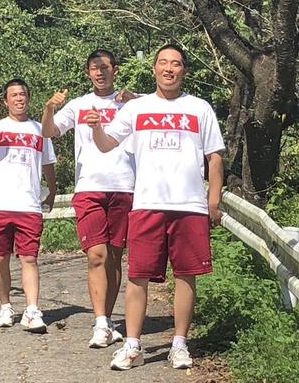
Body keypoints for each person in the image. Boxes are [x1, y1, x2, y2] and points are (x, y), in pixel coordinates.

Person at [86, 44, 225, 370]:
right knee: (138, 276)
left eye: (175, 64)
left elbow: (215, 157)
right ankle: (133, 345)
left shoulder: (199, 108)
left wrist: (213, 200)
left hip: (189, 205)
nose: (169, 69)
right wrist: (96, 128)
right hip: (147, 203)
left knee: (186, 276)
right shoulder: (137, 108)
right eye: (163, 63)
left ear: (184, 70)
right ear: (154, 69)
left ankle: (179, 344)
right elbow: (106, 145)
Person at [41, 49, 135, 348]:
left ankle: (108, 320)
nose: (99, 72)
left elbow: (159, 106)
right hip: (89, 187)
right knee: (97, 254)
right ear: (88, 73)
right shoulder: (78, 105)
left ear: (115, 70)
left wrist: (134, 97)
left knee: (115, 256)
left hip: (124, 185)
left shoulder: (131, 103)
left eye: (104, 67)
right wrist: (49, 108)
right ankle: (100, 322)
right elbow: (49, 132)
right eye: (94, 68)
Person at [0, 78, 57, 333]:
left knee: (30, 258)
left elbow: (48, 162)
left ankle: (32, 309)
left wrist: (52, 189)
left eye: (22, 94)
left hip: (29, 204)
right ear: (6, 101)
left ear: (29, 98)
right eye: (13, 95)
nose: (19, 99)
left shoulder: (40, 129)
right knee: (0, 258)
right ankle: (5, 305)